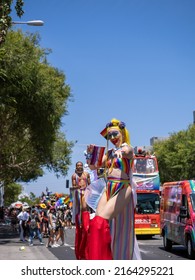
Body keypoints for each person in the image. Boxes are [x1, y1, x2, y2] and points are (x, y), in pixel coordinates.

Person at [86, 118, 141, 260]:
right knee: (97, 223)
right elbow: (94, 167)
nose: (112, 138)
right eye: (109, 135)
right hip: (108, 188)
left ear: (122, 132)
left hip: (123, 187)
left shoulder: (127, 149)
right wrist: (91, 155)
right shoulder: (110, 153)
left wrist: (122, 151)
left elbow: (128, 151)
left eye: (115, 134)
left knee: (102, 224)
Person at [71, 161, 91, 259]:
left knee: (85, 207)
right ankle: (80, 221)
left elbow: (90, 184)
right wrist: (77, 187)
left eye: (80, 165)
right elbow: (74, 186)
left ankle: (87, 219)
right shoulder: (74, 175)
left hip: (86, 192)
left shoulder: (86, 174)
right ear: (76, 167)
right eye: (78, 165)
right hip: (78, 192)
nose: (79, 167)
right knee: (79, 208)